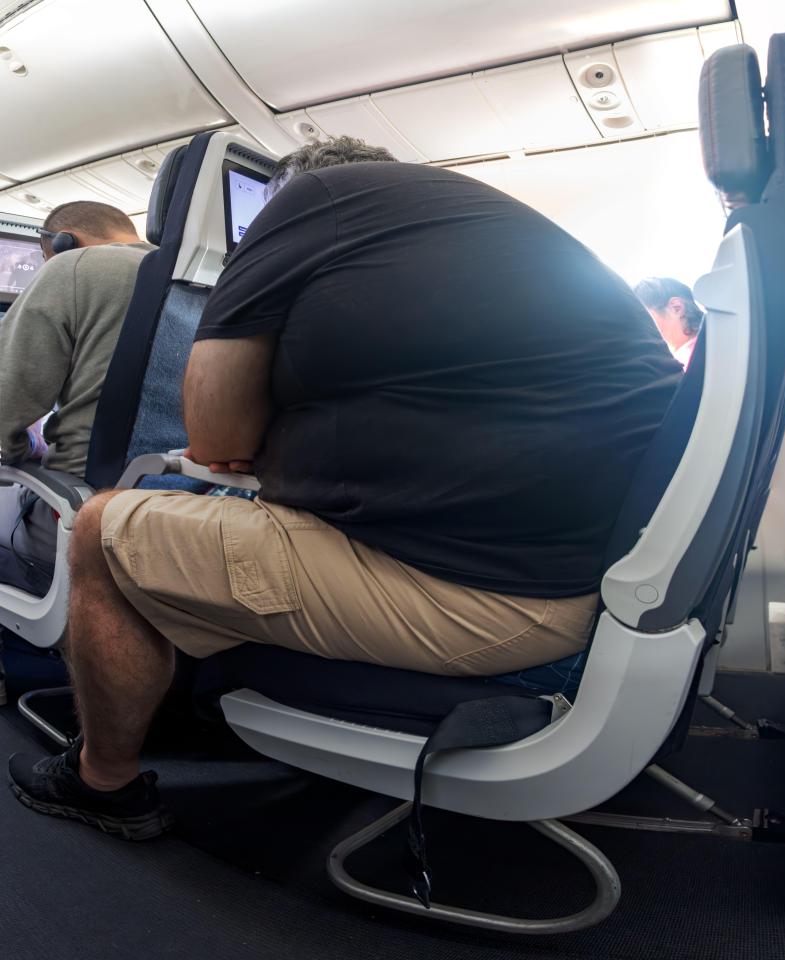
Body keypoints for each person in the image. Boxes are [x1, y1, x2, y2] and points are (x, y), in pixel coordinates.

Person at [8, 137, 683, 838]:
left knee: (104, 526)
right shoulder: (485, 234)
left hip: (497, 601)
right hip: (584, 573)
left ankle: (103, 783)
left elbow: (215, 441)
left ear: (275, 203)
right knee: (205, 521)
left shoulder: (306, 204)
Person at [0, 201, 151, 595]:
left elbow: (3, 414)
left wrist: (23, 445)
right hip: (177, 505)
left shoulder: (73, 267)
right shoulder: (198, 277)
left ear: (66, 242)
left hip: (79, 505)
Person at [633, 277, 704, 371]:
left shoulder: (696, 358)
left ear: (676, 308)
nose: (641, 327)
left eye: (644, 317)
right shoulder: (711, 346)